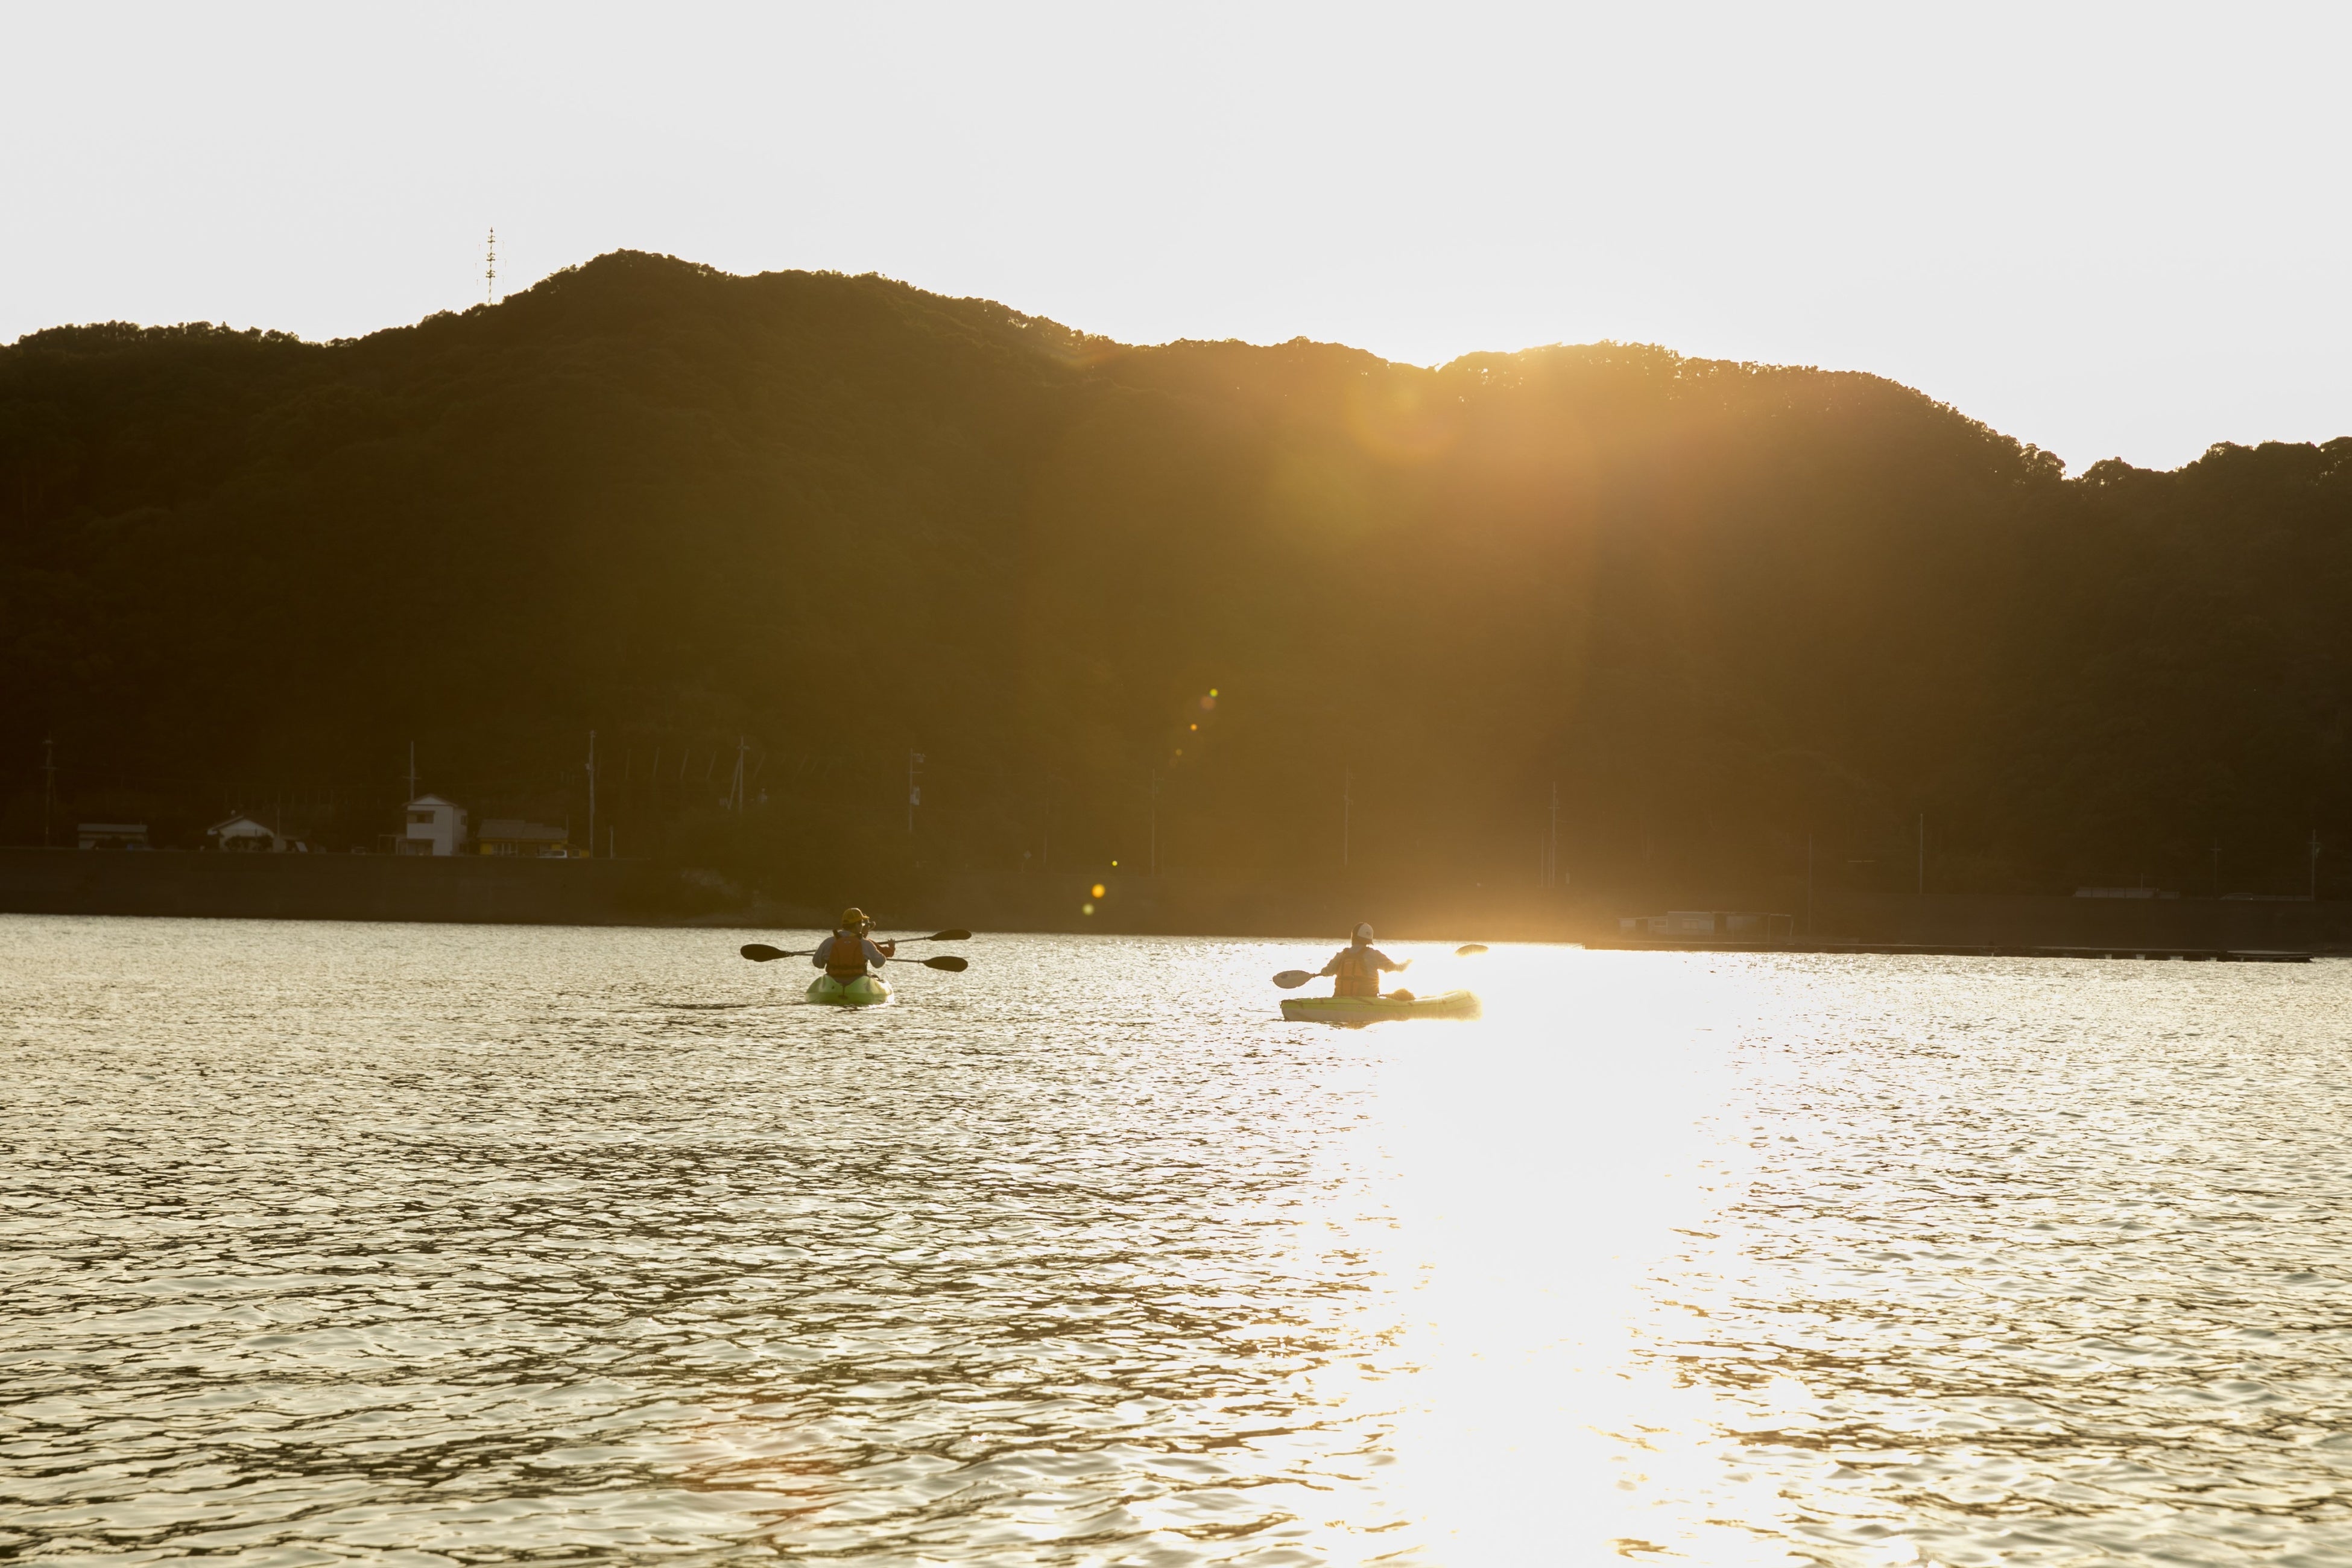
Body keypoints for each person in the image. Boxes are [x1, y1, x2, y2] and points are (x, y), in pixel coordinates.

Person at [1318, 922, 1411, 999]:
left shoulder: (1342, 955)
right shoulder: (1375, 955)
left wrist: (1315, 975)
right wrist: (1409, 962)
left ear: (1353, 937)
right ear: (1369, 940)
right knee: (1404, 994)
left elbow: (1326, 972)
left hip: (1340, 1000)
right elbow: (1398, 968)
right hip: (1368, 1001)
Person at [812, 908, 896, 982]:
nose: (862, 926)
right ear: (857, 925)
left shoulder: (828, 942)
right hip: (858, 983)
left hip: (833, 983)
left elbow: (817, 963)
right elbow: (879, 963)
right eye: (862, 923)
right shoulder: (865, 943)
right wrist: (887, 952)